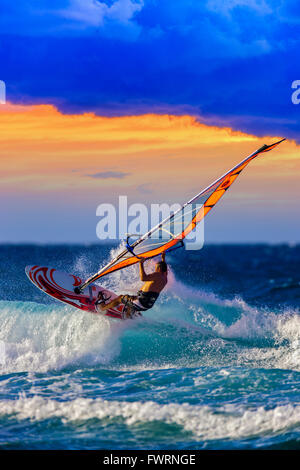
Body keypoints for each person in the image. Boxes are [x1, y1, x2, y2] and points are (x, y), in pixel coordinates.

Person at [95, 253, 168, 318]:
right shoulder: (165, 278)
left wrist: (141, 263)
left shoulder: (157, 274)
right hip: (147, 305)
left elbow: (143, 278)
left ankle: (102, 308)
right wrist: (163, 257)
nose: (154, 269)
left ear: (158, 268)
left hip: (140, 302)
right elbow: (164, 267)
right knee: (133, 297)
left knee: (120, 298)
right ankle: (129, 312)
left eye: (155, 267)